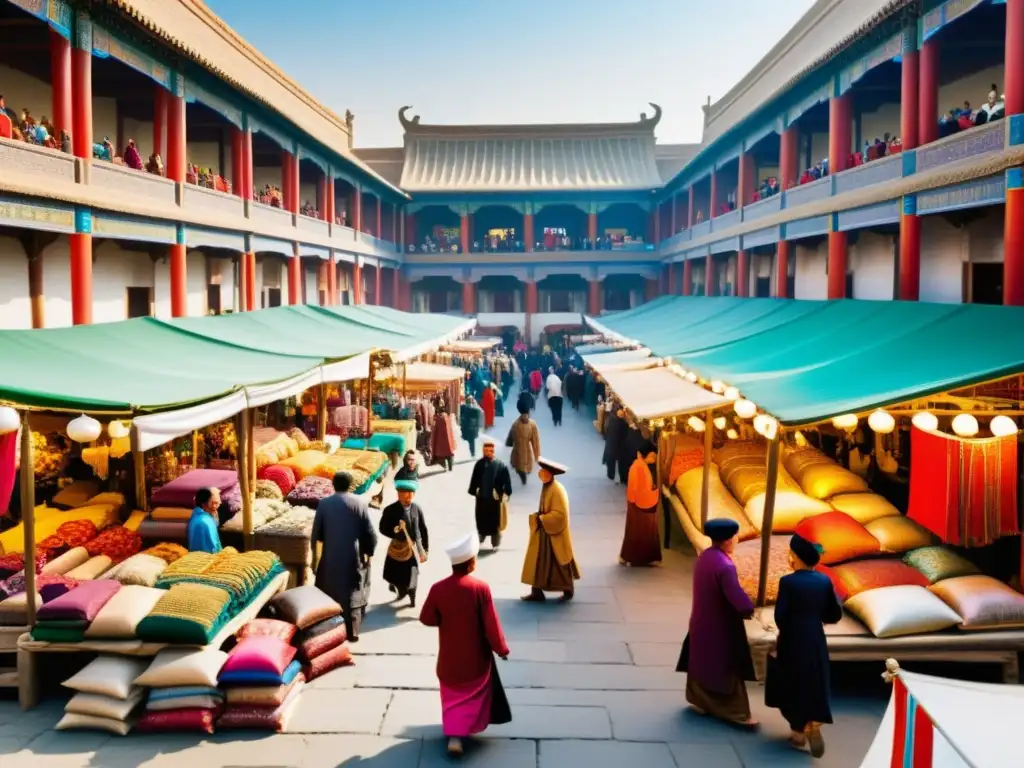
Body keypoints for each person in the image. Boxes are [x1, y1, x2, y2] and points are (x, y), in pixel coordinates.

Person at [420, 534, 511, 757]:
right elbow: (492, 625)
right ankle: (463, 732)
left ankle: (454, 735)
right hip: (475, 661)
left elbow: (426, 618)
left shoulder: (438, 588)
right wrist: (501, 649)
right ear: (470, 563)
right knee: (471, 696)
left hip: (449, 661)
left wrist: (445, 617)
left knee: (452, 697)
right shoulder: (480, 588)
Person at [675, 518, 757, 727]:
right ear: (729, 540)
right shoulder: (725, 566)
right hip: (721, 624)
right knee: (725, 668)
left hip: (701, 620)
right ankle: (736, 713)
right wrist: (749, 608)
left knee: (701, 661)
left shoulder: (705, 557)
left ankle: (701, 701)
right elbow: (736, 596)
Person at [766, 534, 842, 758]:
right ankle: (813, 720)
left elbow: (781, 616)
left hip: (793, 638)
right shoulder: (824, 581)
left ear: (795, 558)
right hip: (815, 637)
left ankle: (798, 732)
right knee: (814, 678)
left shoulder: (788, 582)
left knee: (791, 682)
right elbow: (834, 614)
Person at [311, 471, 378, 641]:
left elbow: (316, 534)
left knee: (329, 592)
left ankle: (330, 633)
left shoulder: (324, 504)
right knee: (353, 593)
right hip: (353, 557)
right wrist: (368, 552)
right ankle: (352, 631)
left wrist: (315, 558)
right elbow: (369, 533)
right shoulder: (360, 504)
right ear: (350, 485)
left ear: (333, 485)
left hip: (330, 557)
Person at [521, 458, 579, 602]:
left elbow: (561, 515)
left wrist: (543, 519)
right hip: (545, 532)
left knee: (559, 562)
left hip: (554, 534)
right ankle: (537, 591)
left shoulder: (557, 489)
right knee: (540, 561)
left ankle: (568, 589)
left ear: (549, 474)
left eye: (542, 472)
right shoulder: (547, 487)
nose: (540, 474)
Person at [379, 478, 429, 607]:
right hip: (397, 547)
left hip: (411, 548)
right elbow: (382, 528)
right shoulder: (390, 510)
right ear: (398, 494)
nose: (408, 497)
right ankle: (400, 589)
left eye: (411, 494)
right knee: (393, 574)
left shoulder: (416, 509)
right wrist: (394, 530)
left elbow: (422, 529)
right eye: (405, 494)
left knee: (413, 574)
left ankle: (412, 596)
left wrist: (425, 549)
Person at [619, 450, 662, 567]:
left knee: (636, 532)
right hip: (639, 504)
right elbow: (635, 487)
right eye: (653, 455)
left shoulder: (641, 465)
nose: (654, 459)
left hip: (640, 501)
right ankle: (634, 557)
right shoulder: (638, 466)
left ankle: (631, 557)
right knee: (639, 532)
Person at [469, 435, 513, 549]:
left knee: (495, 523)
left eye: (490, 451)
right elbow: (474, 479)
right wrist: (475, 490)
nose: (488, 452)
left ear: (493, 451)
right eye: (486, 450)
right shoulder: (479, 464)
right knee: (481, 520)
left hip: (495, 499)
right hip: (482, 499)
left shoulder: (500, 465)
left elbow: (506, 481)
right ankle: (481, 536)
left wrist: (505, 493)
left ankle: (495, 543)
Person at [505, 410, 540, 486]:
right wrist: (509, 442)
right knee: (519, 467)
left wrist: (537, 455)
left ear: (528, 415)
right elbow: (511, 435)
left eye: (526, 415)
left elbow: (535, 441)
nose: (525, 416)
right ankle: (523, 480)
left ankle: (524, 478)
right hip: (517, 449)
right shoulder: (516, 424)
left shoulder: (532, 425)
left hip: (527, 449)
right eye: (523, 415)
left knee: (527, 467)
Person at [187, 487, 223, 553]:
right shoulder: (207, 521)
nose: (214, 507)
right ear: (204, 504)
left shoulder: (193, 518)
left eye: (216, 503)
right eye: (211, 503)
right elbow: (215, 547)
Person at [431, 406, 457, 471]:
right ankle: (450, 467)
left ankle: (444, 467)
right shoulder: (448, 418)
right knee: (449, 454)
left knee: (441, 455)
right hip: (448, 443)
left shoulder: (439, 419)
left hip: (440, 442)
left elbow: (435, 430)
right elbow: (451, 429)